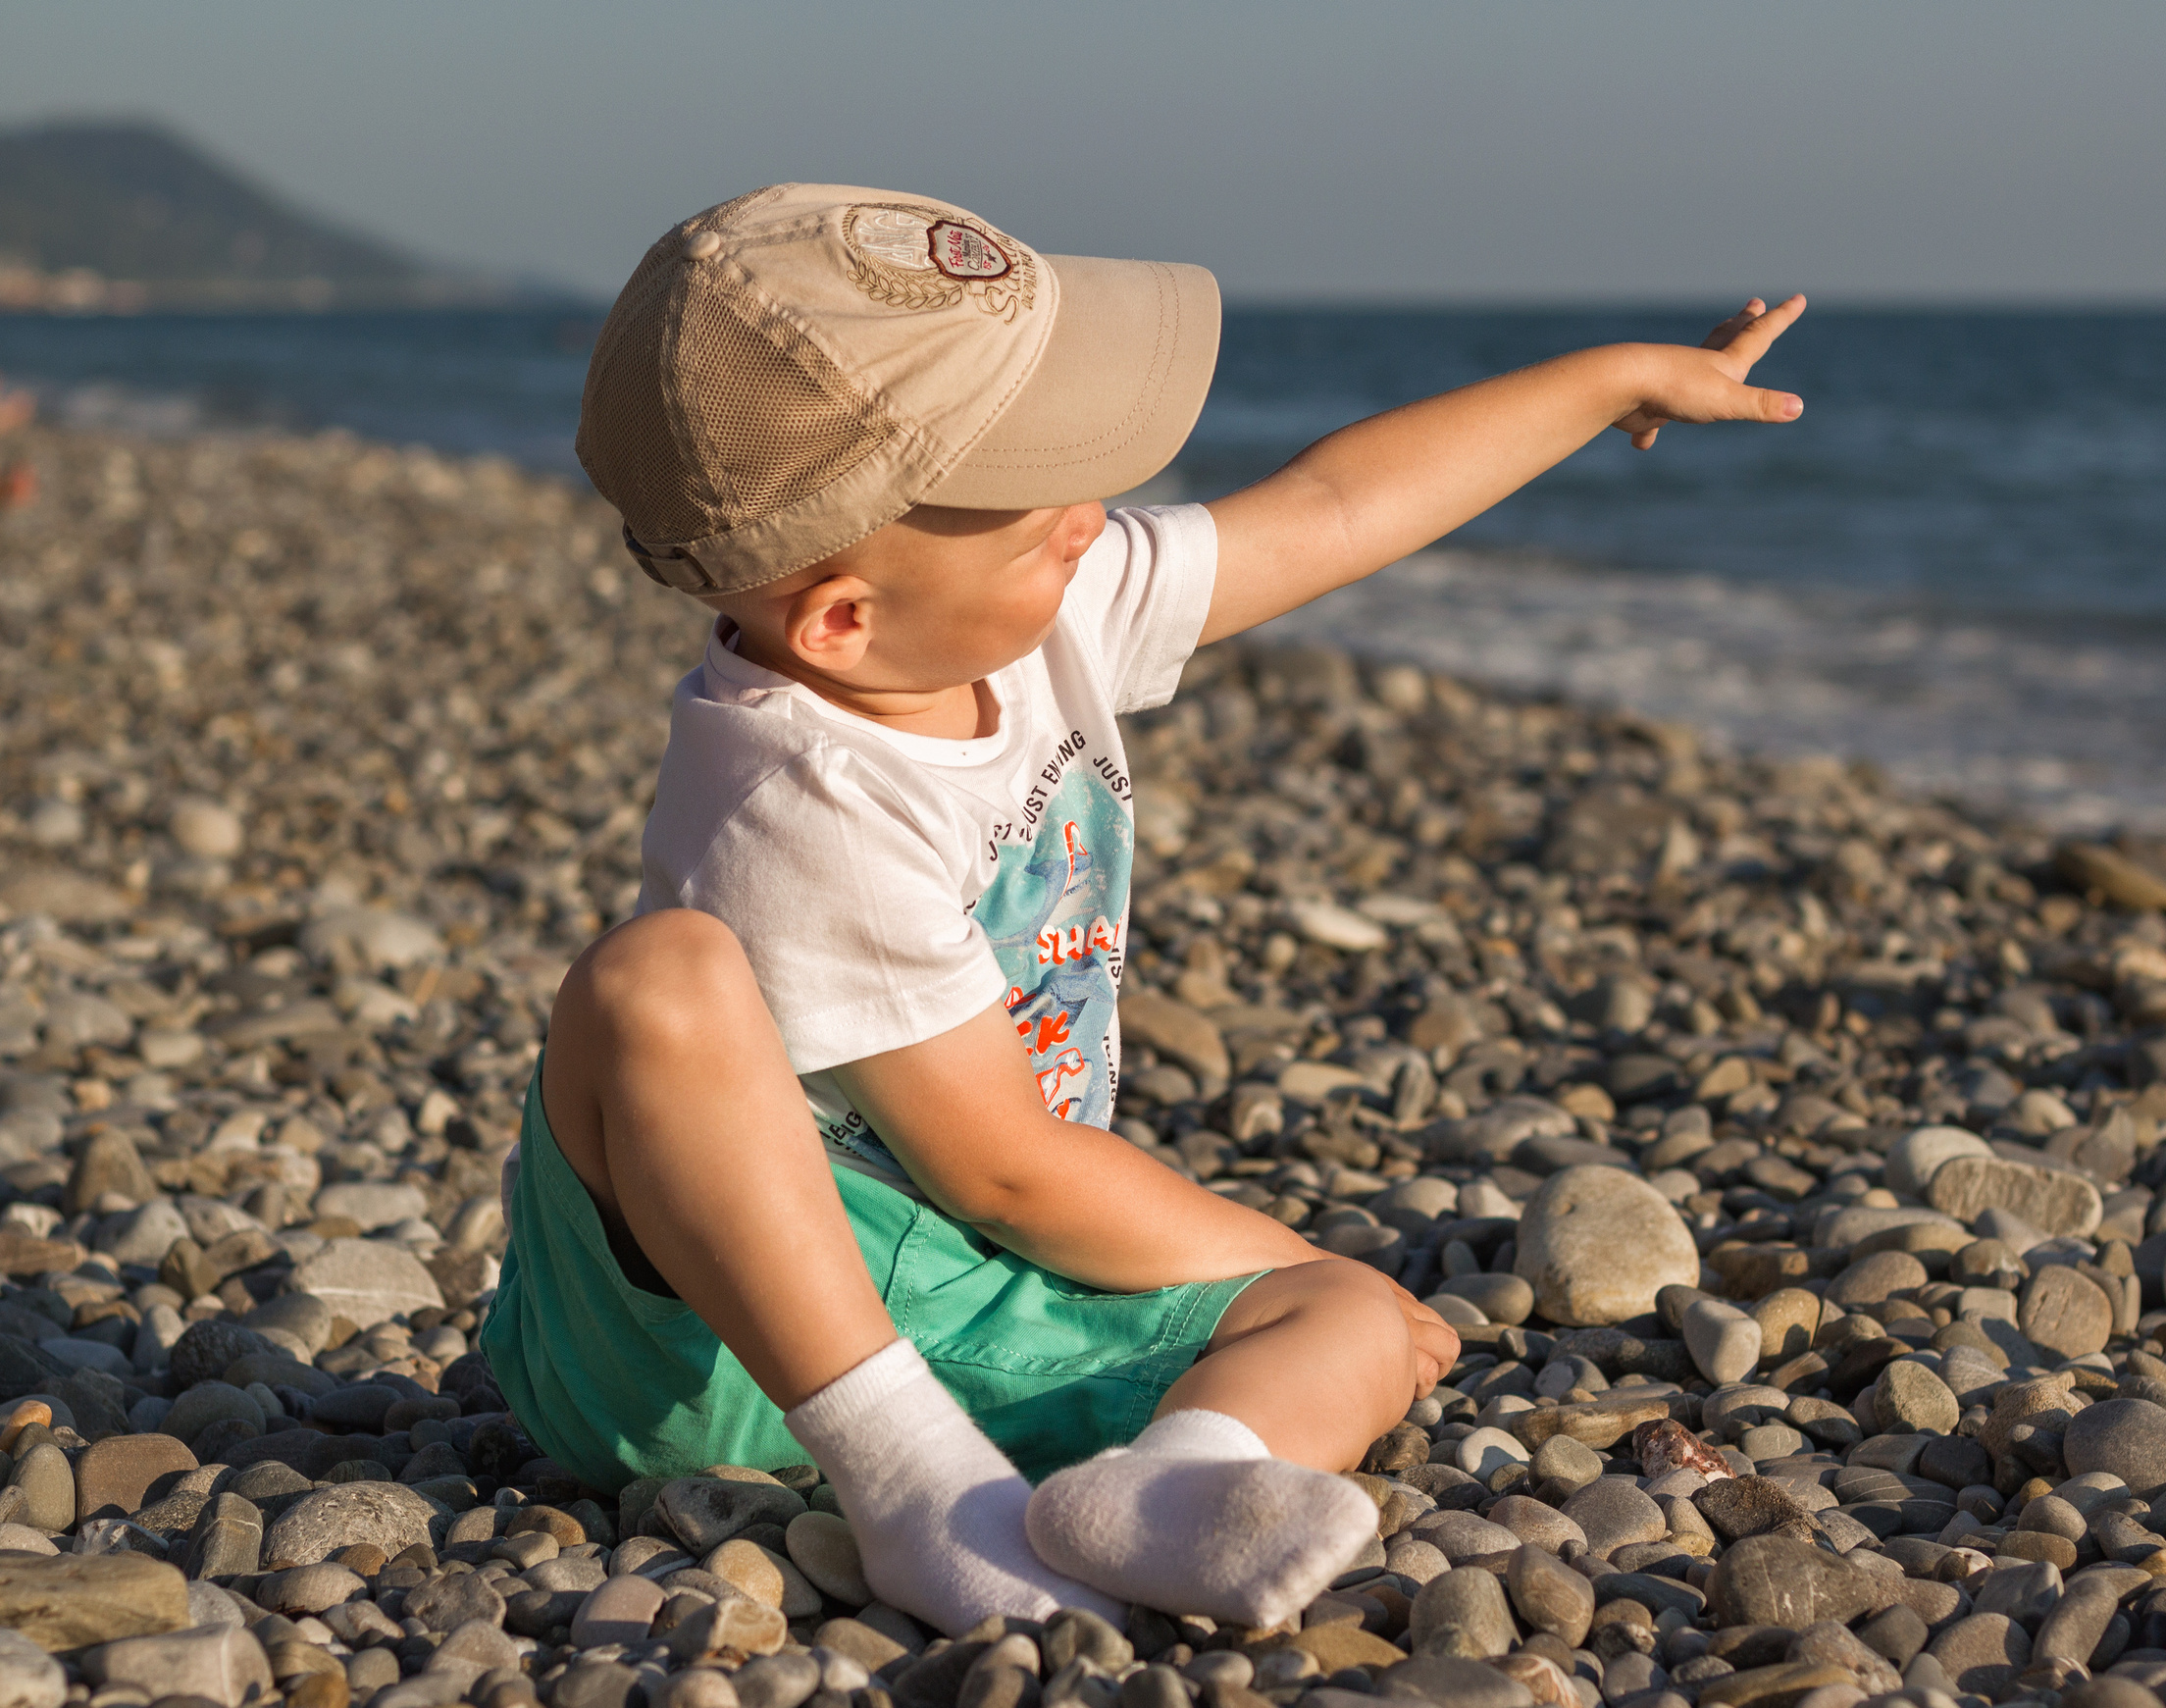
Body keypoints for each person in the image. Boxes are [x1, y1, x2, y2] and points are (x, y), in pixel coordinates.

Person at [479, 182, 1803, 1636]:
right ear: (843, 619)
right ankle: (920, 1492)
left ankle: (1165, 1488)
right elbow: (1007, 1173)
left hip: (969, 1302)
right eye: (1044, 489)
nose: (1095, 515)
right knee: (655, 979)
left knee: (1350, 1322)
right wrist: (1285, 1250)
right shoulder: (801, 791)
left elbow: (1332, 507)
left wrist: (1607, 381)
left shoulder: (1016, 603)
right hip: (708, 1346)